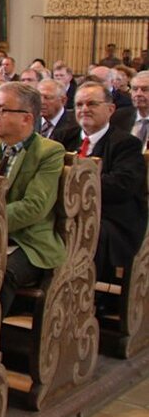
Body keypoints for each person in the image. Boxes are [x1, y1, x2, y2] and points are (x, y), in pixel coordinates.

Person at [0, 82, 66, 313]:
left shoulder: (49, 152)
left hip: (27, 240)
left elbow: (35, 206)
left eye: (2, 110)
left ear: (27, 118)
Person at [74, 81, 148, 283]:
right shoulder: (63, 137)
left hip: (111, 216)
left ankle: (86, 291)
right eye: (79, 105)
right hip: (68, 212)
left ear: (110, 109)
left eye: (92, 104)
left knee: (85, 231)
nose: (84, 109)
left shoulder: (126, 144)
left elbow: (121, 186)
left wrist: (75, 184)